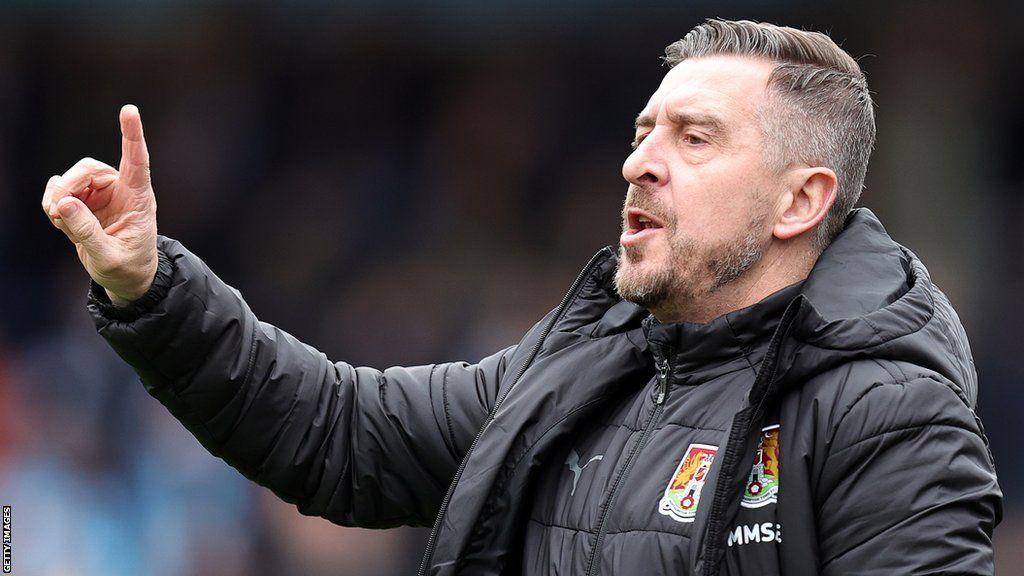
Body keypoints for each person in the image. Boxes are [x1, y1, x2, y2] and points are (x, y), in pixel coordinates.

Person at [41, 19, 1001, 576]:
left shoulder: (888, 415)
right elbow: (336, 431)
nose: (639, 162)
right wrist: (149, 284)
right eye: (642, 131)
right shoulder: (573, 368)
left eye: (694, 139)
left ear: (802, 200)